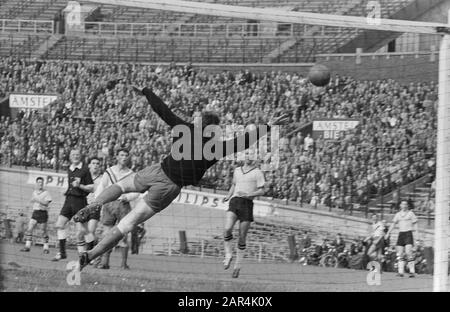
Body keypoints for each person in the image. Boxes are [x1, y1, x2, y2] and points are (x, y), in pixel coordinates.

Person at [74, 84, 289, 270]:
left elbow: (164, 111)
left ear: (200, 123)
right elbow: (244, 142)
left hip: (158, 171)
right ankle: (91, 256)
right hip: (170, 188)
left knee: (121, 186)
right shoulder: (217, 148)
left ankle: (97, 203)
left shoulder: (185, 129)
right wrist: (268, 126)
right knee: (127, 224)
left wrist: (146, 92)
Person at [222, 151, 266, 278]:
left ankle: (237, 266)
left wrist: (249, 195)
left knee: (242, 236)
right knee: (227, 229)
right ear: (244, 157)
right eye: (247, 155)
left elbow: (262, 190)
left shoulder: (258, 172)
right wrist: (228, 196)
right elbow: (234, 185)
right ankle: (228, 254)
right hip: (235, 201)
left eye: (251, 155)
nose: (248, 157)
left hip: (247, 203)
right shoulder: (237, 170)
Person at [95, 148, 139, 269]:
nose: (124, 157)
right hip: (109, 204)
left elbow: (137, 191)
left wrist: (128, 197)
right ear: (117, 157)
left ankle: (123, 263)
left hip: (123, 205)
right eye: (122, 155)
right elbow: (101, 187)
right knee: (106, 233)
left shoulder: (131, 174)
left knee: (123, 234)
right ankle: (104, 263)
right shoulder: (109, 172)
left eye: (126, 155)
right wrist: (98, 201)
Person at [52, 149, 94, 261]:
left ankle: (91, 254)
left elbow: (91, 187)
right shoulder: (69, 169)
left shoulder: (85, 170)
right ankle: (62, 253)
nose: (75, 156)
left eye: (77, 154)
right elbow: (69, 185)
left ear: (80, 156)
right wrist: (65, 190)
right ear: (70, 157)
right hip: (68, 200)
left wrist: (79, 185)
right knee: (59, 224)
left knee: (84, 230)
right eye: (73, 154)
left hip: (80, 201)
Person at [385, 200, 419, 278]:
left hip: (408, 233)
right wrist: (388, 233)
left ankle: (412, 272)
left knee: (408, 252)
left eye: (405, 204)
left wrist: (417, 236)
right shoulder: (398, 214)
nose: (404, 205)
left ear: (407, 206)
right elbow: (393, 224)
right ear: (400, 205)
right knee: (400, 253)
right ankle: (401, 272)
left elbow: (415, 225)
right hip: (401, 234)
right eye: (402, 204)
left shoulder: (410, 213)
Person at [20, 177, 52, 253]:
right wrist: (27, 206)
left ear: (43, 184)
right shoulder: (34, 192)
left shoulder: (46, 193)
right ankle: (27, 246)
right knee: (29, 229)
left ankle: (46, 247)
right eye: (39, 182)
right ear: (37, 183)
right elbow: (32, 200)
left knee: (42, 231)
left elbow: (47, 203)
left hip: (43, 213)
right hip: (35, 212)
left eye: (41, 182)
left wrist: (37, 200)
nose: (40, 184)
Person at [85, 156, 103, 252]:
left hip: (95, 206)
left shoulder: (102, 179)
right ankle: (96, 247)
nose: (95, 165)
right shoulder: (84, 177)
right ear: (89, 165)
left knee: (90, 230)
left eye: (97, 164)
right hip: (83, 206)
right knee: (86, 232)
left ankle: (89, 254)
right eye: (93, 163)